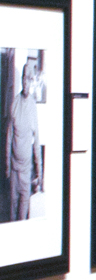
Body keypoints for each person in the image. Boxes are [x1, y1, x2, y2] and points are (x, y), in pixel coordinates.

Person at [6, 59, 41, 220]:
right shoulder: (14, 103)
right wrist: (7, 165)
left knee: (23, 214)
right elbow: (8, 138)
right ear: (21, 80)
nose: (26, 82)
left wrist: (39, 171)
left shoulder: (33, 107)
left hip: (27, 171)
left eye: (29, 78)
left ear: (31, 81)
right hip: (14, 169)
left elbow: (37, 142)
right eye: (24, 78)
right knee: (12, 210)